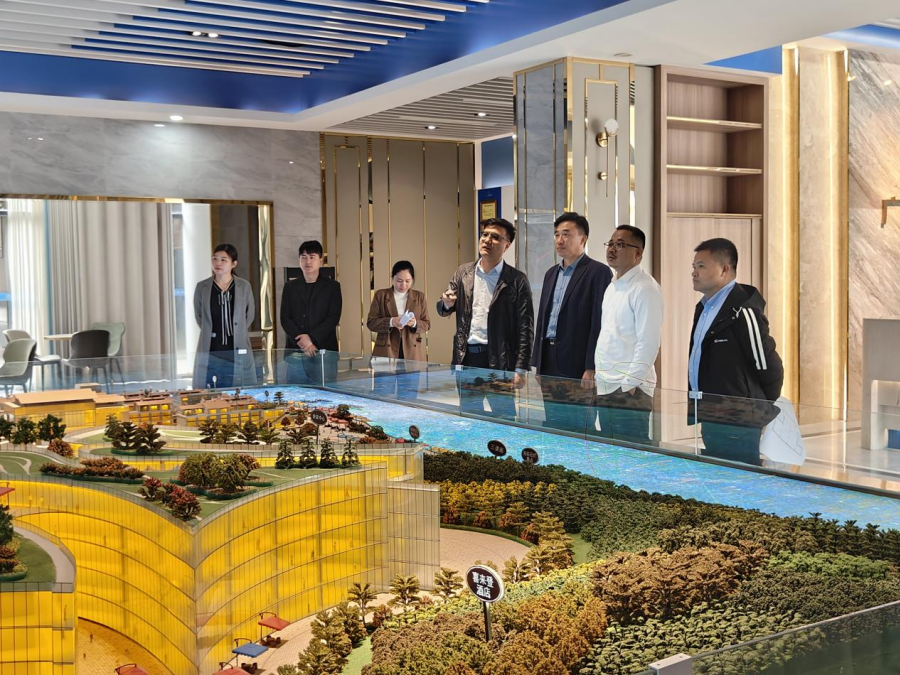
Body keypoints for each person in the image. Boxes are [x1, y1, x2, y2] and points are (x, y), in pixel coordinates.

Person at [688, 238, 783, 466]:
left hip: (739, 420)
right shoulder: (704, 307)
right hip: (711, 414)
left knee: (741, 480)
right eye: (694, 266)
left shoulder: (743, 311)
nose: (694, 272)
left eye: (701, 266)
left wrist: (756, 410)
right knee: (715, 477)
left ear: (724, 269)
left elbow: (769, 367)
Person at [437, 218, 534, 420]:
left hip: (500, 360)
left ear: (507, 245)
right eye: (485, 234)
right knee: (470, 417)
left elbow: (526, 327)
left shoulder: (517, 279)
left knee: (503, 418)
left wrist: (521, 368)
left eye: (495, 237)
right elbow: (443, 308)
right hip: (467, 357)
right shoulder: (463, 272)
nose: (487, 240)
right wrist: (446, 303)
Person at [532, 212, 612, 433]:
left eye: (566, 234)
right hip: (549, 361)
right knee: (553, 424)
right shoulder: (551, 273)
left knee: (580, 426)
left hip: (578, 365)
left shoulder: (598, 272)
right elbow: (543, 319)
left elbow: (598, 322)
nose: (560, 240)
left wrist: (591, 366)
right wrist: (538, 362)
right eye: (557, 234)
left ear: (583, 239)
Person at [592, 225, 663, 445]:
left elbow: (649, 342)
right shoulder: (612, 287)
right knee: (609, 453)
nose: (612, 249)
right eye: (611, 243)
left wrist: (630, 383)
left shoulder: (645, 288)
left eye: (621, 245)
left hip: (629, 390)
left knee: (631, 454)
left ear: (638, 253)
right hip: (606, 385)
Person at [192, 243, 257, 389]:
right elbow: (199, 316)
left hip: (236, 346)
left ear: (233, 264)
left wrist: (237, 330)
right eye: (215, 259)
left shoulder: (244, 286)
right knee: (210, 389)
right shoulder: (202, 287)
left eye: (223, 260)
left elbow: (249, 315)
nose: (218, 263)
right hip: (212, 347)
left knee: (238, 389)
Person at [281, 240, 342, 385]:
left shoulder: (332, 287)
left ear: (320, 260)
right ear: (299, 260)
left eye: (312, 257)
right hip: (296, 351)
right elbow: (285, 318)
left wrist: (312, 339)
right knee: (295, 394)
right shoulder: (290, 287)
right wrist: (303, 343)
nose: (307, 261)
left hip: (325, 351)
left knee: (326, 393)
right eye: (304, 257)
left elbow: (333, 317)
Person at [366, 261, 431, 397]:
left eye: (408, 281)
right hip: (386, 351)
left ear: (413, 280)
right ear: (393, 278)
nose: (403, 285)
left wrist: (414, 323)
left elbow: (427, 324)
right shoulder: (381, 295)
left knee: (408, 398)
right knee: (383, 396)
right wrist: (391, 321)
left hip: (412, 352)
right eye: (399, 281)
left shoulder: (419, 297)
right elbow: (371, 323)